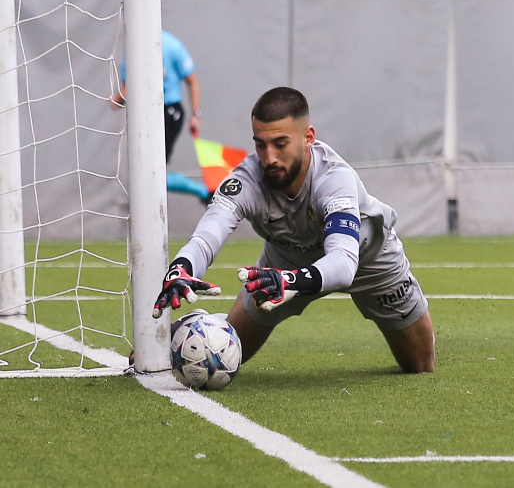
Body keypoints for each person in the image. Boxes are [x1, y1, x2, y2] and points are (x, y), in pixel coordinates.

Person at [150, 87, 435, 373]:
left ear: (308, 137)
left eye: (280, 143)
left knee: (420, 364)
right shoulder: (246, 181)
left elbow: (345, 262)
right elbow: (207, 236)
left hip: (368, 260)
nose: (269, 157)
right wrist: (182, 267)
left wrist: (291, 280)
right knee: (225, 352)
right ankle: (184, 334)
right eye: (260, 144)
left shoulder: (334, 179)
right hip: (284, 265)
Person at [114, 29, 209, 202]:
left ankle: (204, 192)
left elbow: (192, 80)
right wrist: (117, 99)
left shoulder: (171, 45)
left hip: (169, 112)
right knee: (148, 174)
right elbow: (126, 90)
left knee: (152, 175)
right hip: (144, 117)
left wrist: (196, 115)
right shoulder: (133, 50)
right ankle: (205, 192)